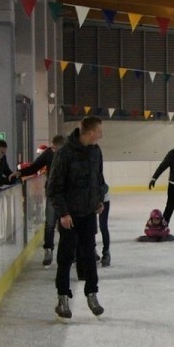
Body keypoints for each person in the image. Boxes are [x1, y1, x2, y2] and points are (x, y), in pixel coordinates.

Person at [45, 116, 107, 319]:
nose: (101, 134)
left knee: (89, 255)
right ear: (90, 132)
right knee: (65, 257)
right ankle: (62, 297)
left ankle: (92, 293)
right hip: (69, 216)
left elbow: (99, 180)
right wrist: (63, 213)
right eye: (99, 131)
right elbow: (53, 188)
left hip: (89, 213)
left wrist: (98, 200)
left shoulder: (95, 151)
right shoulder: (65, 153)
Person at [17, 135, 65, 267]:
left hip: (67, 195)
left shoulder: (70, 154)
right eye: (53, 148)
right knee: (50, 223)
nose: (54, 150)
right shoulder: (48, 153)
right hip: (52, 193)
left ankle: (68, 253)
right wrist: (19, 173)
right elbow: (35, 166)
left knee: (66, 225)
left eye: (56, 149)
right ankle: (48, 250)